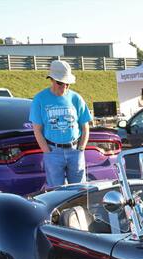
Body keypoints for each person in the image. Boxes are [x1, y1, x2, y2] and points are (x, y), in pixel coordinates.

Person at [30, 60, 92, 188]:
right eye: (60, 83)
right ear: (51, 79)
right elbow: (37, 129)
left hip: (75, 151)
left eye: (67, 84)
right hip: (53, 152)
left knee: (79, 190)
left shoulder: (76, 98)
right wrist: (47, 151)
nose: (64, 87)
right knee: (56, 192)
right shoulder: (40, 99)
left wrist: (81, 148)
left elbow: (85, 126)